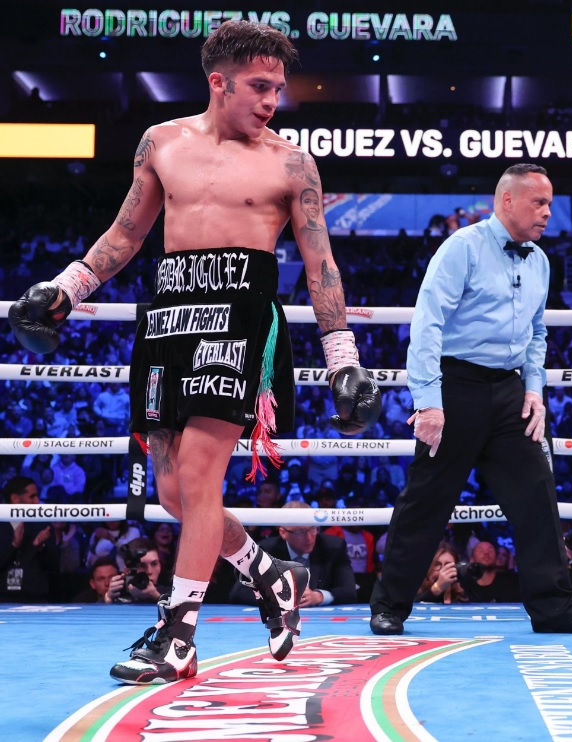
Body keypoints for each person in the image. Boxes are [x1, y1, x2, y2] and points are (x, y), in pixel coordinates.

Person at [6, 20, 381, 684]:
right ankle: (272, 577)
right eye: (260, 87)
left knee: (203, 479)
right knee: (178, 491)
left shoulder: (290, 162)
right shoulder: (161, 143)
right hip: (169, 316)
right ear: (219, 81)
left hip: (239, 316)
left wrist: (343, 358)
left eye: (278, 89)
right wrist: (66, 288)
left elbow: (321, 266)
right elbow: (127, 232)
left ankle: (177, 637)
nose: (272, 101)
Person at [369, 163, 572, 637]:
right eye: (539, 203)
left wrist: (533, 390)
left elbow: (537, 334)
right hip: (456, 388)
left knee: (537, 495)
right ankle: (391, 606)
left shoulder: (541, 260)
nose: (548, 212)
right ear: (507, 201)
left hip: (509, 394)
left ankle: (553, 608)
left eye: (549, 202)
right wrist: (429, 401)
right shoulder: (462, 248)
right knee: (427, 500)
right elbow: (427, 324)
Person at [228, 502, 357, 607]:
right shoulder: (266, 549)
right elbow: (239, 592)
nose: (309, 537)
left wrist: (319, 596)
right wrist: (277, 596)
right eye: (300, 532)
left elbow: (349, 591)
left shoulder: (333, 546)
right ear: (283, 533)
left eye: (313, 528)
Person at [0, 476, 60, 602]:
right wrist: (14, 546)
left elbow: (54, 566)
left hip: (36, 597)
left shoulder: (42, 525)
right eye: (32, 497)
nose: (37, 502)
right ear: (15, 498)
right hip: (3, 597)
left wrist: (40, 547)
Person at [104, 538, 168, 604]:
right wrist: (108, 599)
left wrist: (156, 596)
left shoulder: (170, 594)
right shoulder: (119, 593)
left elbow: (174, 613)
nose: (149, 571)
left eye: (154, 564)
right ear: (127, 570)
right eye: (141, 566)